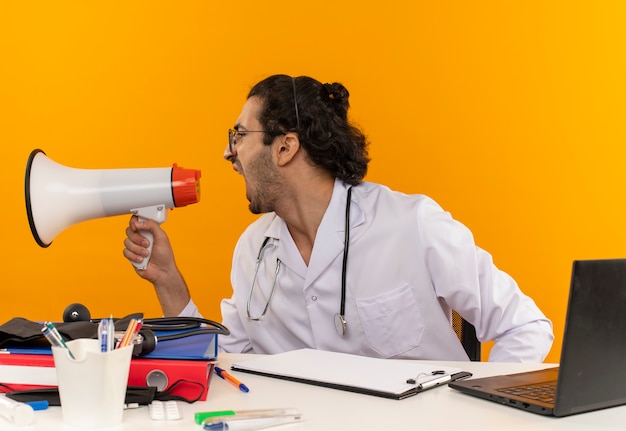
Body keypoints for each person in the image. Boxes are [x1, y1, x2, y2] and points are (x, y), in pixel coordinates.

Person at [123, 74, 553, 362]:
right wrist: (168, 279)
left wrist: (477, 416)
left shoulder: (413, 225)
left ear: (285, 147)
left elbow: (526, 327)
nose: (227, 153)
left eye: (239, 135)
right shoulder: (254, 249)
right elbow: (225, 361)